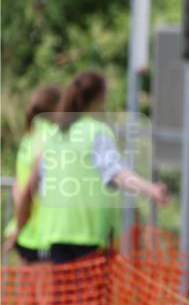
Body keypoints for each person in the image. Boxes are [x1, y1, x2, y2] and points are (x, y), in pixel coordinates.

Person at [7, 71, 169, 264]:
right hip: (89, 233)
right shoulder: (96, 132)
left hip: (55, 232)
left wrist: (18, 227)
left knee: (63, 285)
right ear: (100, 97)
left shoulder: (54, 134)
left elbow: (30, 188)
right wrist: (150, 189)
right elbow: (116, 172)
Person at [4, 84, 61, 263]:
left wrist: (19, 225)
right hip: (43, 233)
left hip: (24, 230)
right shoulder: (53, 138)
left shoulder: (29, 136)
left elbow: (18, 185)